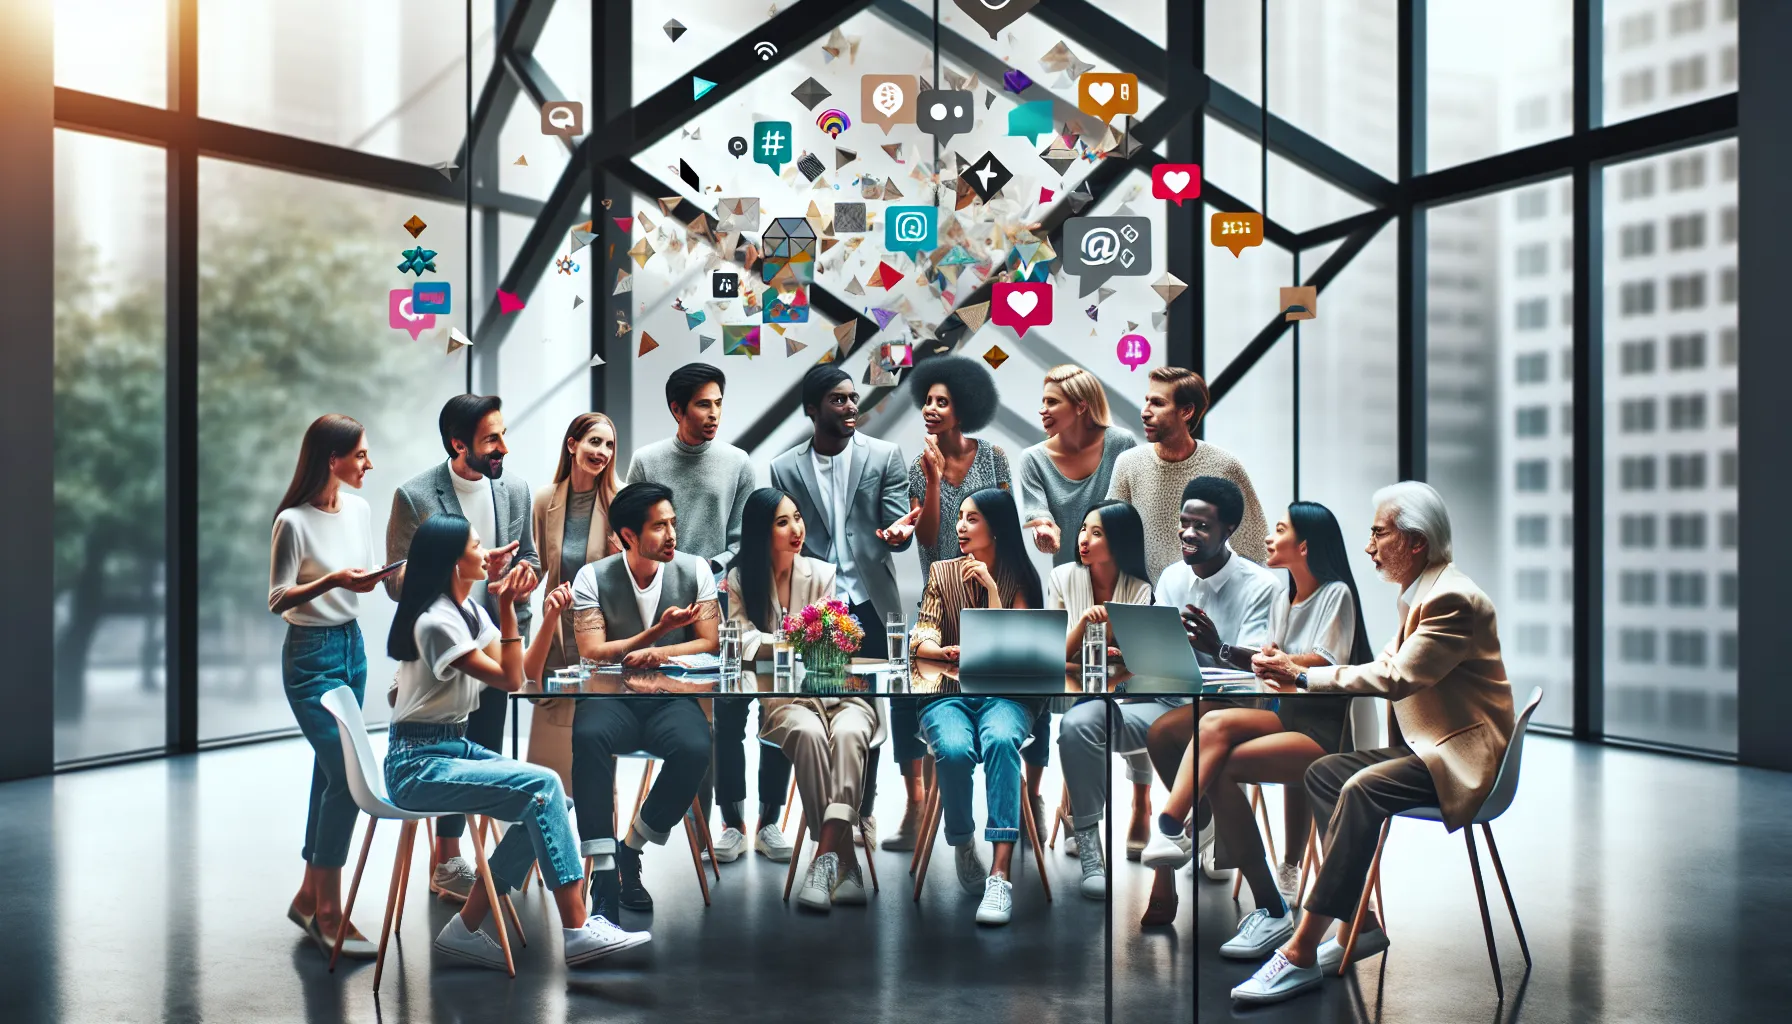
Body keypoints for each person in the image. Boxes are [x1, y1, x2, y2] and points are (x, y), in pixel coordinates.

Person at [1232, 481, 1515, 1006]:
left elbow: (1397, 677)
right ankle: (1360, 923)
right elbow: (1384, 664)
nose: (1368, 547)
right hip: (1426, 748)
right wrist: (1297, 671)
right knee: (1324, 772)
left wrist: (1300, 676)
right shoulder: (1422, 594)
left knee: (1361, 788)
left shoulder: (1451, 599)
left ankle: (1300, 950)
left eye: (1379, 534)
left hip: (1457, 758)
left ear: (1416, 541)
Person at [383, 514, 649, 971]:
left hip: (449, 746)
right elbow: (508, 681)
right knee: (544, 788)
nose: (486, 553)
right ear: (453, 561)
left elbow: (523, 671)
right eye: (476, 545)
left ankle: (465, 927)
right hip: (417, 764)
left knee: (552, 800)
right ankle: (577, 928)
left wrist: (549, 614)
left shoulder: (467, 612)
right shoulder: (436, 622)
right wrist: (506, 605)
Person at [1064, 476, 1278, 925]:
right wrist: (1130, 653)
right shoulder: (1171, 577)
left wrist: (1219, 647)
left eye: (1201, 526)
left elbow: (1261, 670)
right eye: (1184, 523)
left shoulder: (1261, 585)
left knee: (1171, 733)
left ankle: (1182, 840)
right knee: (1078, 724)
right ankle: (1090, 845)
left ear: (1229, 530)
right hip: (1162, 700)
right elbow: (1155, 653)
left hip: (1226, 711)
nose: (1188, 533)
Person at [1186, 501, 1374, 959]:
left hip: (1326, 733)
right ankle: (1190, 822)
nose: (1269, 537)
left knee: (1220, 753)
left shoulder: (1336, 594)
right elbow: (1267, 661)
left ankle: (1275, 887)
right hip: (1285, 717)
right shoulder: (1283, 596)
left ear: (1304, 546)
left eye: (1280, 529)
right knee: (1213, 732)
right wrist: (1255, 658)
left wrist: (1277, 662)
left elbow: (1325, 662)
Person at [384, 394, 540, 901]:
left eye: (503, 434)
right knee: (448, 746)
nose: (503, 448)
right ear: (458, 444)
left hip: (496, 636)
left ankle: (474, 857)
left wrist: (518, 576)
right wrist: (451, 564)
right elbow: (395, 581)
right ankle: (448, 859)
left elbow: (532, 558)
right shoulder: (414, 496)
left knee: (484, 747)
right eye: (492, 439)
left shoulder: (516, 490)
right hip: (441, 644)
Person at [624, 363, 778, 863]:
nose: (713, 414)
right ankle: (700, 824)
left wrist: (709, 569)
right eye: (702, 405)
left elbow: (744, 538)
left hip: (721, 600)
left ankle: (740, 822)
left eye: (718, 404)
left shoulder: (737, 463)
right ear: (677, 409)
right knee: (687, 713)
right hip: (660, 604)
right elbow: (630, 531)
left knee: (730, 712)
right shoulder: (647, 461)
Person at [770, 365, 919, 853]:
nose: (851, 405)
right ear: (812, 409)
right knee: (808, 703)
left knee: (869, 708)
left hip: (872, 603)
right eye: (838, 399)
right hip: (814, 608)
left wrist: (899, 534)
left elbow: (897, 525)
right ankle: (804, 814)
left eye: (853, 397)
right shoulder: (784, 468)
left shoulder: (884, 455)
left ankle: (864, 813)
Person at [568, 482, 720, 922]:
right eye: (659, 527)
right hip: (609, 698)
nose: (672, 535)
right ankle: (603, 872)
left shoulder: (696, 571)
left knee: (696, 746)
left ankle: (630, 848)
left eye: (673, 523)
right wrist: (656, 634)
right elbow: (592, 652)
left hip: (671, 697)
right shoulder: (591, 577)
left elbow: (709, 641)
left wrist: (659, 655)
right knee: (589, 736)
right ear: (627, 536)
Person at [726, 487, 877, 912]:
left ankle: (822, 859)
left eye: (797, 517)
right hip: (786, 705)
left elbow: (829, 636)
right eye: (782, 522)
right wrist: (796, 636)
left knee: (850, 734)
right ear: (761, 532)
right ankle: (846, 863)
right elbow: (739, 641)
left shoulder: (821, 572)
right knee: (809, 734)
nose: (797, 529)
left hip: (841, 696)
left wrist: (777, 641)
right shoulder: (740, 581)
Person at [268, 415, 384, 960]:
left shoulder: (359, 510)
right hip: (310, 657)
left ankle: (308, 897)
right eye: (359, 455)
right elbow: (277, 598)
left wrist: (376, 578)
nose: (368, 464)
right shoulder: (292, 522)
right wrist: (334, 579)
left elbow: (365, 577)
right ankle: (330, 911)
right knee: (347, 775)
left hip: (351, 649)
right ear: (331, 459)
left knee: (330, 772)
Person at [910, 487, 1044, 928]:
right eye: (960, 518)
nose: (961, 527)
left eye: (972, 519)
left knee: (1002, 741)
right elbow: (922, 634)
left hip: (1006, 697)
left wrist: (990, 590)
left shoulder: (1019, 576)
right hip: (947, 694)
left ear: (997, 527)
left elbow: (1015, 649)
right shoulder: (942, 571)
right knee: (951, 749)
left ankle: (1000, 874)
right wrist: (938, 649)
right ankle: (963, 841)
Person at [1041, 499, 1156, 872]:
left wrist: (1108, 655)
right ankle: (1079, 811)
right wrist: (1085, 626)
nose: (1083, 540)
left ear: (1119, 540)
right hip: (1076, 685)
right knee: (1087, 705)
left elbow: (1135, 660)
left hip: (1126, 685)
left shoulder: (1139, 588)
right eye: (1082, 530)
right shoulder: (1062, 577)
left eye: (1096, 533)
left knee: (1129, 701)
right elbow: (1053, 655)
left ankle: (1139, 801)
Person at [1107, 367, 1268, 585]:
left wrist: (1232, 595)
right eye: (1147, 401)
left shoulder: (1224, 465)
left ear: (1186, 412)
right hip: (1144, 596)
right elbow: (1109, 536)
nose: (1145, 412)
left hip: (1209, 594)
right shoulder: (1128, 463)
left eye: (1158, 403)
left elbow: (1254, 547)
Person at [1020, 364, 1138, 567]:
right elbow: (1038, 512)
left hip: (1122, 572)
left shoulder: (1121, 443)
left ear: (1081, 407)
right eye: (1043, 402)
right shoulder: (1033, 459)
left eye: (1052, 402)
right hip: (1068, 577)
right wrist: (1044, 528)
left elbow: (1136, 507)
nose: (1042, 410)